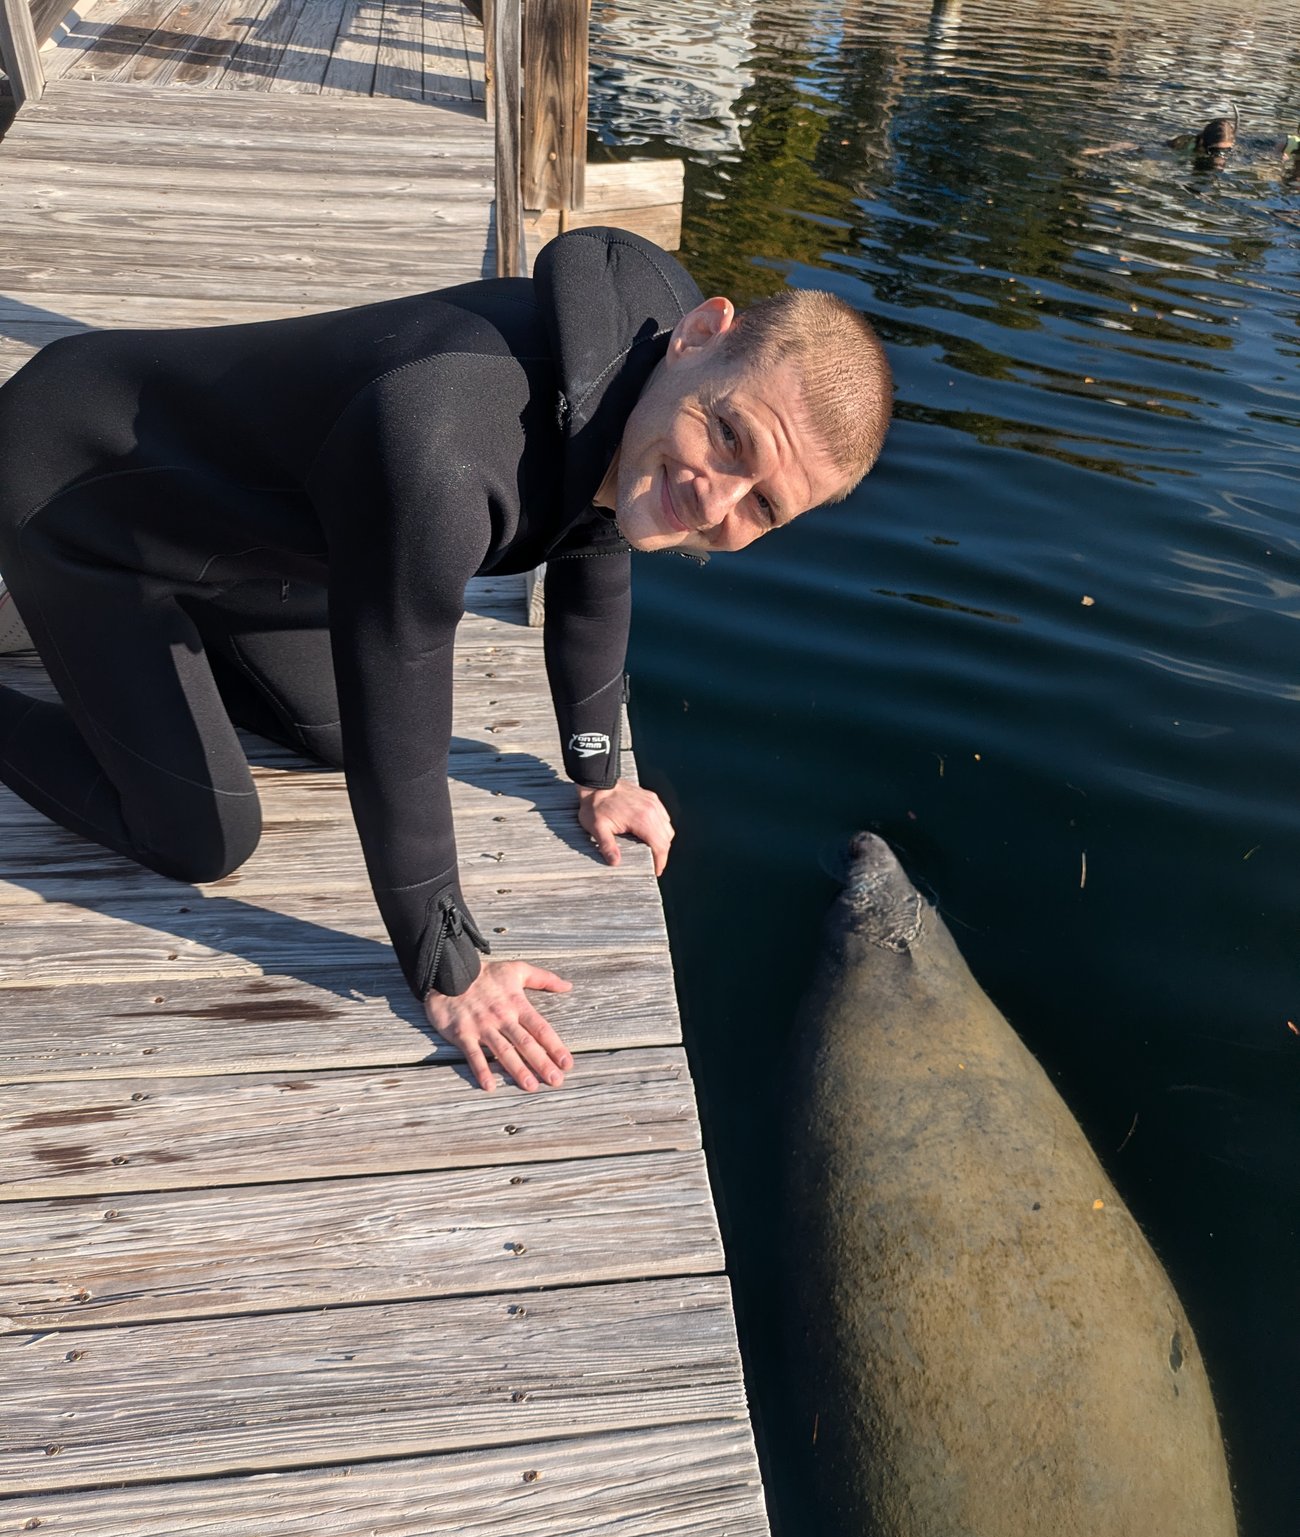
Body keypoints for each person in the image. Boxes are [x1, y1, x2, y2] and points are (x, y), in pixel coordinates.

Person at [0, 227, 892, 1090]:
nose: (714, 500)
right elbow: (403, 702)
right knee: (202, 833)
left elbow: (593, 553)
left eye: (764, 506)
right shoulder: (447, 446)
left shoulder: (638, 387)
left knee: (334, 731)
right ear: (702, 336)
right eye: (733, 439)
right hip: (72, 489)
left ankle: (75, 626)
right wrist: (450, 963)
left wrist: (598, 771)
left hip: (229, 544)